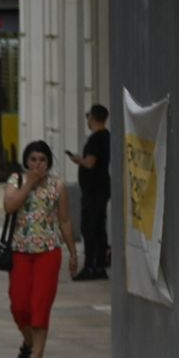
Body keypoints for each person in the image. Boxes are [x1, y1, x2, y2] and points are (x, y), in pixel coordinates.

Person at [3, 140, 77, 358]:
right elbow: (9, 206)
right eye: (33, 159)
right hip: (20, 251)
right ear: (26, 161)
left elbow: (64, 220)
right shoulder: (16, 180)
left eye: (42, 160)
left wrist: (73, 252)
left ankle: (38, 356)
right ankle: (28, 341)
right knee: (19, 305)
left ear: (48, 162)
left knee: (41, 303)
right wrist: (29, 184)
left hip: (48, 250)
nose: (37, 164)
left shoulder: (57, 185)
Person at [66, 104, 111, 281]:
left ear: (92, 118)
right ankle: (99, 265)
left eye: (88, 116)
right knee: (99, 228)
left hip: (93, 190)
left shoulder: (95, 140)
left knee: (89, 228)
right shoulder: (107, 136)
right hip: (102, 188)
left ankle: (90, 266)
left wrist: (78, 159)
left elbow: (90, 163)